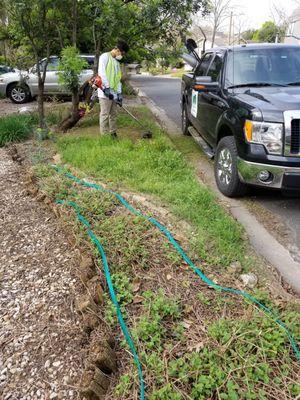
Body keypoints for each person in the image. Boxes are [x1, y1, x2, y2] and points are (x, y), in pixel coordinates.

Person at [98, 40, 130, 138]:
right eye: (122, 53)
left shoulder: (116, 62)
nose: (122, 55)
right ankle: (104, 136)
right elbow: (102, 73)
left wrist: (119, 94)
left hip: (114, 93)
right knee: (104, 114)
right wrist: (107, 88)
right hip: (105, 92)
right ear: (117, 50)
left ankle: (113, 133)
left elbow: (117, 79)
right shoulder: (104, 57)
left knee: (113, 114)